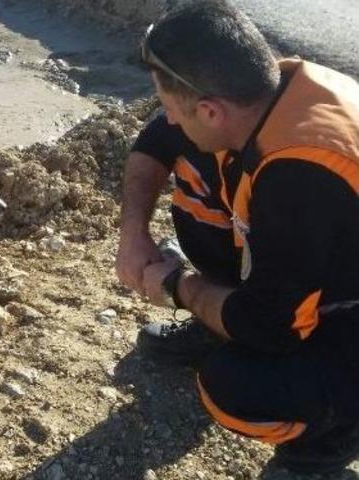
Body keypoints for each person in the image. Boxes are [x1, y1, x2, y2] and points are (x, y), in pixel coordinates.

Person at [115, 0, 359, 474]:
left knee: (234, 388)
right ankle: (221, 321)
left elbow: (270, 327)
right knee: (197, 177)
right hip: (326, 254)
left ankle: (334, 434)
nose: (166, 119)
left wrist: (177, 286)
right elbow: (158, 140)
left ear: (209, 109)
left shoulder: (300, 172)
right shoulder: (270, 90)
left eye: (170, 107)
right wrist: (133, 232)